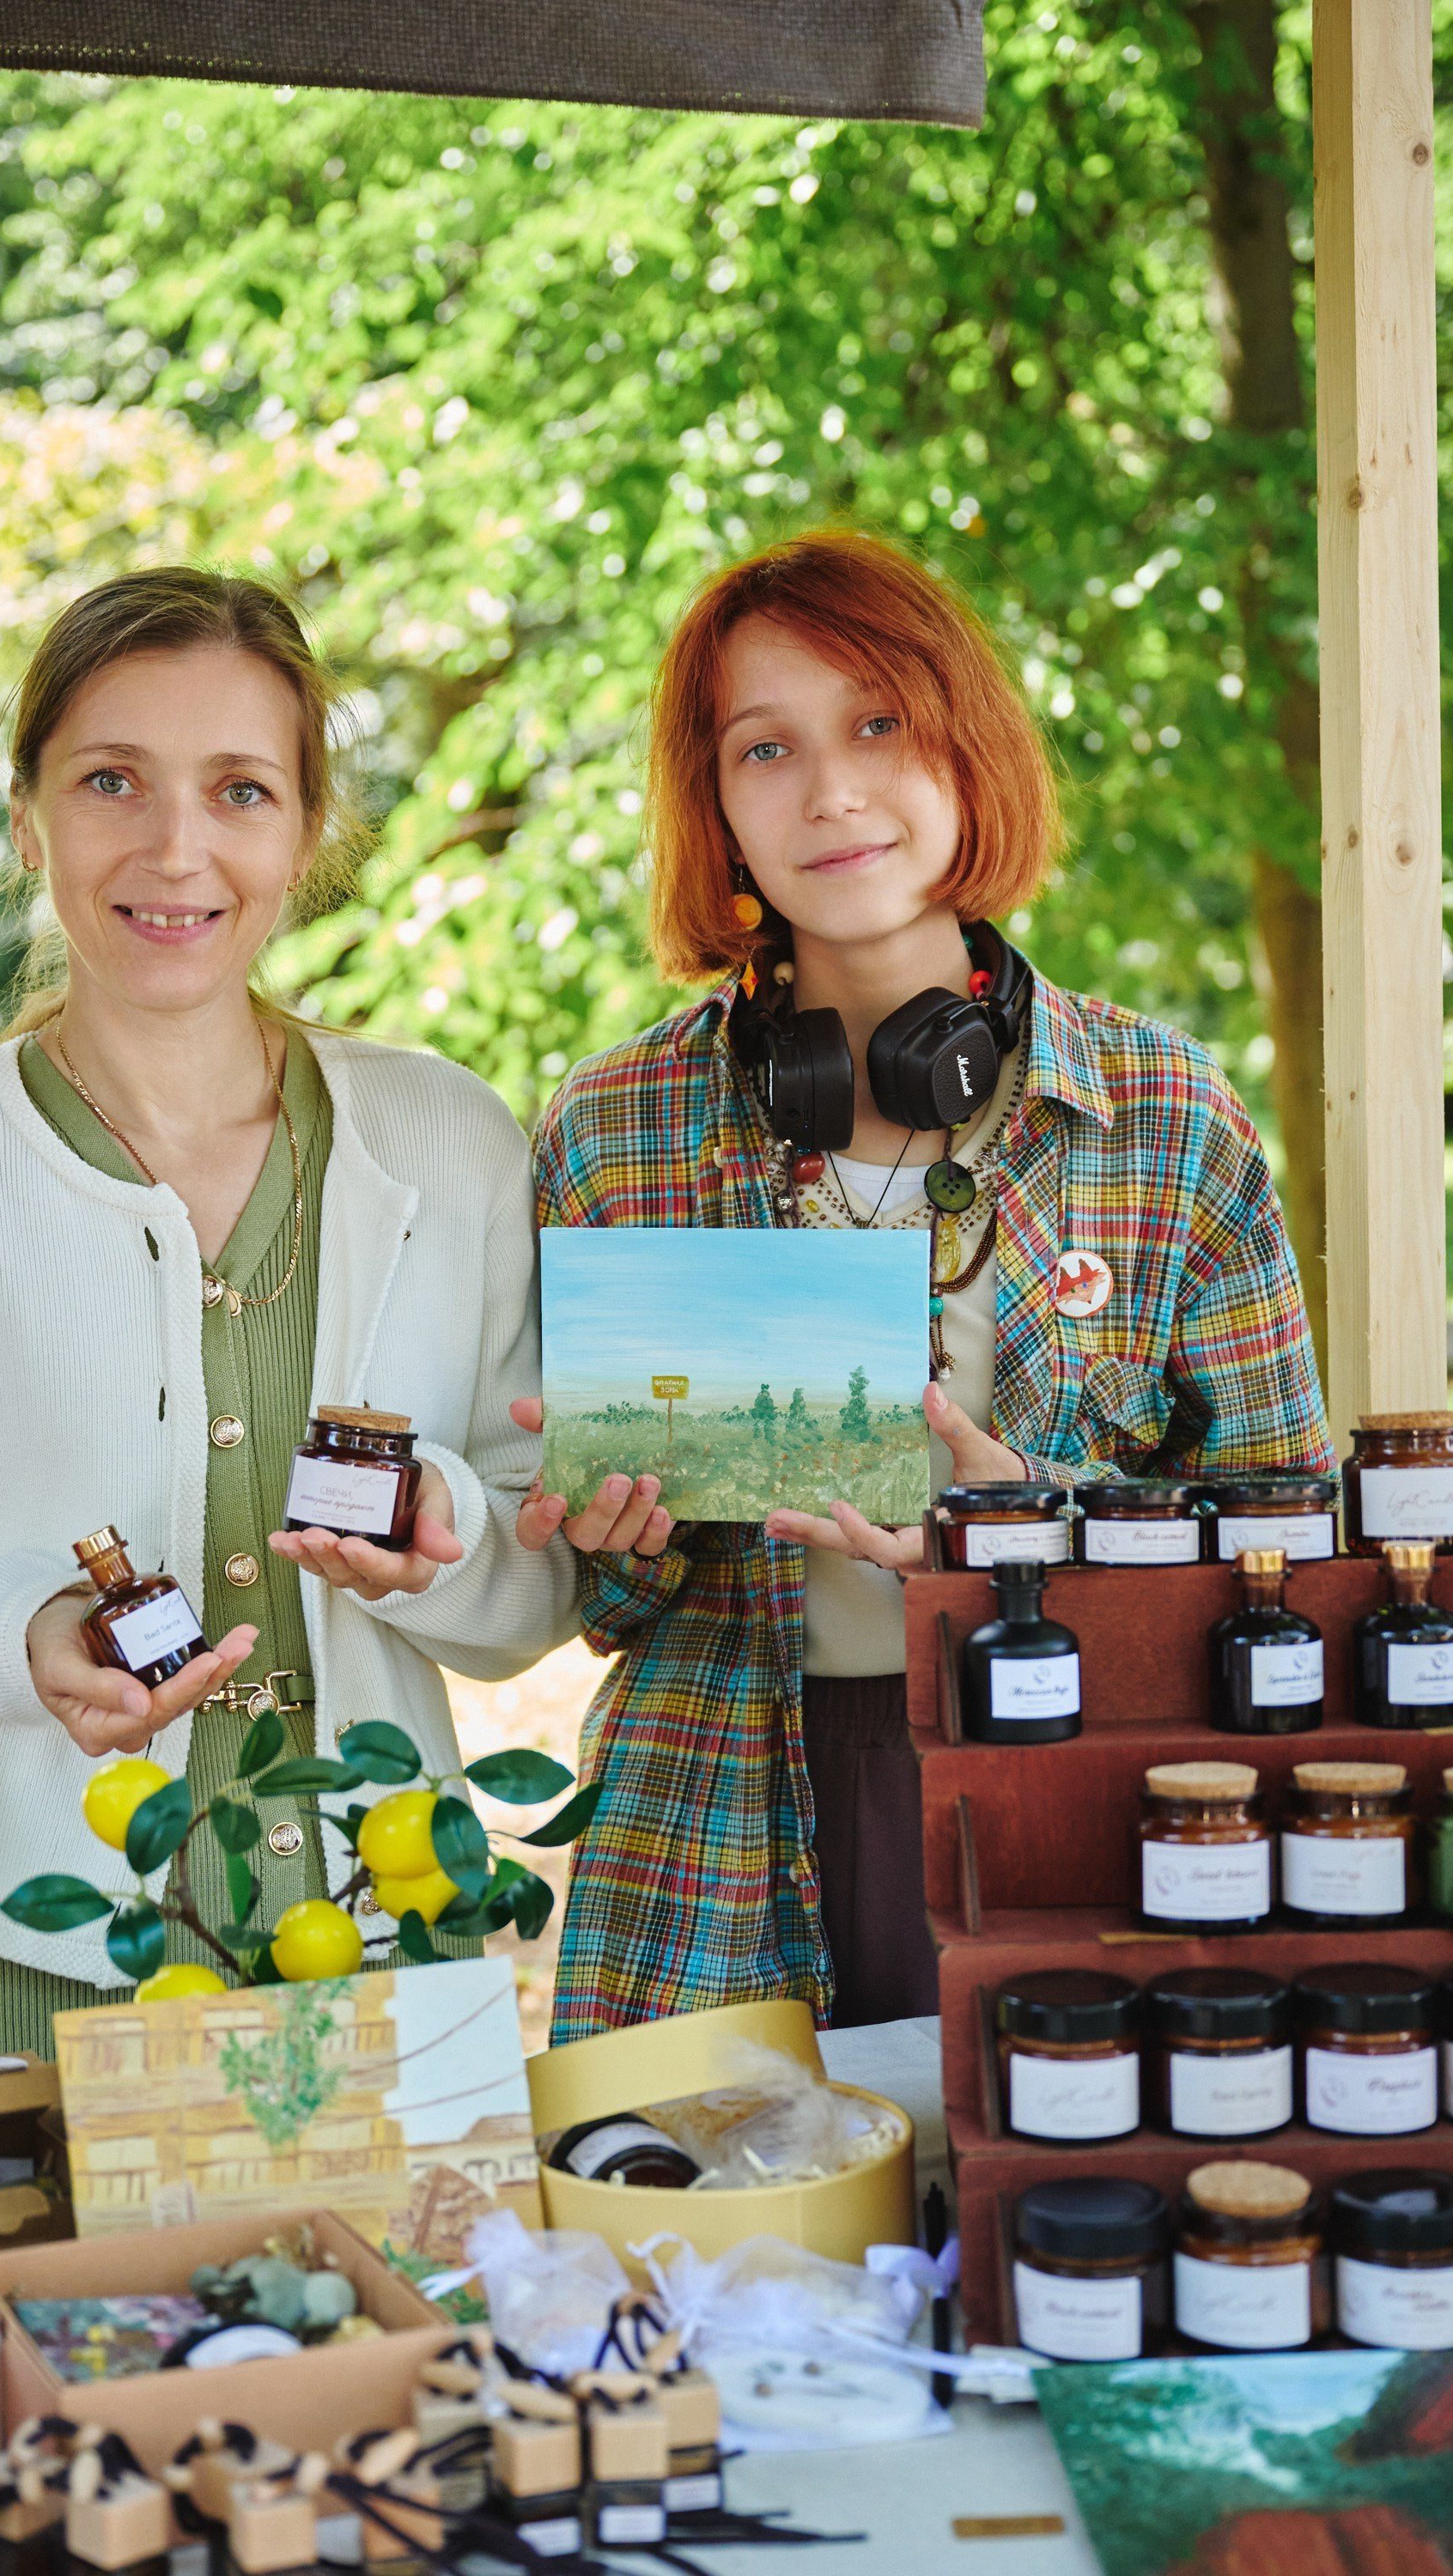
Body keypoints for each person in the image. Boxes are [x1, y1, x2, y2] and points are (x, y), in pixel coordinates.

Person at [0, 568, 575, 2059]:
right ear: (30, 813)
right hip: (27, 1974)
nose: (175, 848)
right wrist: (17, 1634)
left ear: (309, 832)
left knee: (423, 2307)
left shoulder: (452, 1143)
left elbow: (535, 1603)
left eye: (240, 789)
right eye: (111, 780)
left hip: (397, 1958)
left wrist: (439, 1529)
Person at [515, 528, 1332, 2044]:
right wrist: (607, 1531)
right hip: (715, 1825)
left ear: (968, 745)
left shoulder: (1166, 1115)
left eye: (878, 724)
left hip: (1078, 1793)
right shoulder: (613, 1125)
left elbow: (1292, 1557)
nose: (831, 791)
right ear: (718, 808)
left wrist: (1023, 1518)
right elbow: (608, 1601)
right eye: (768, 748)